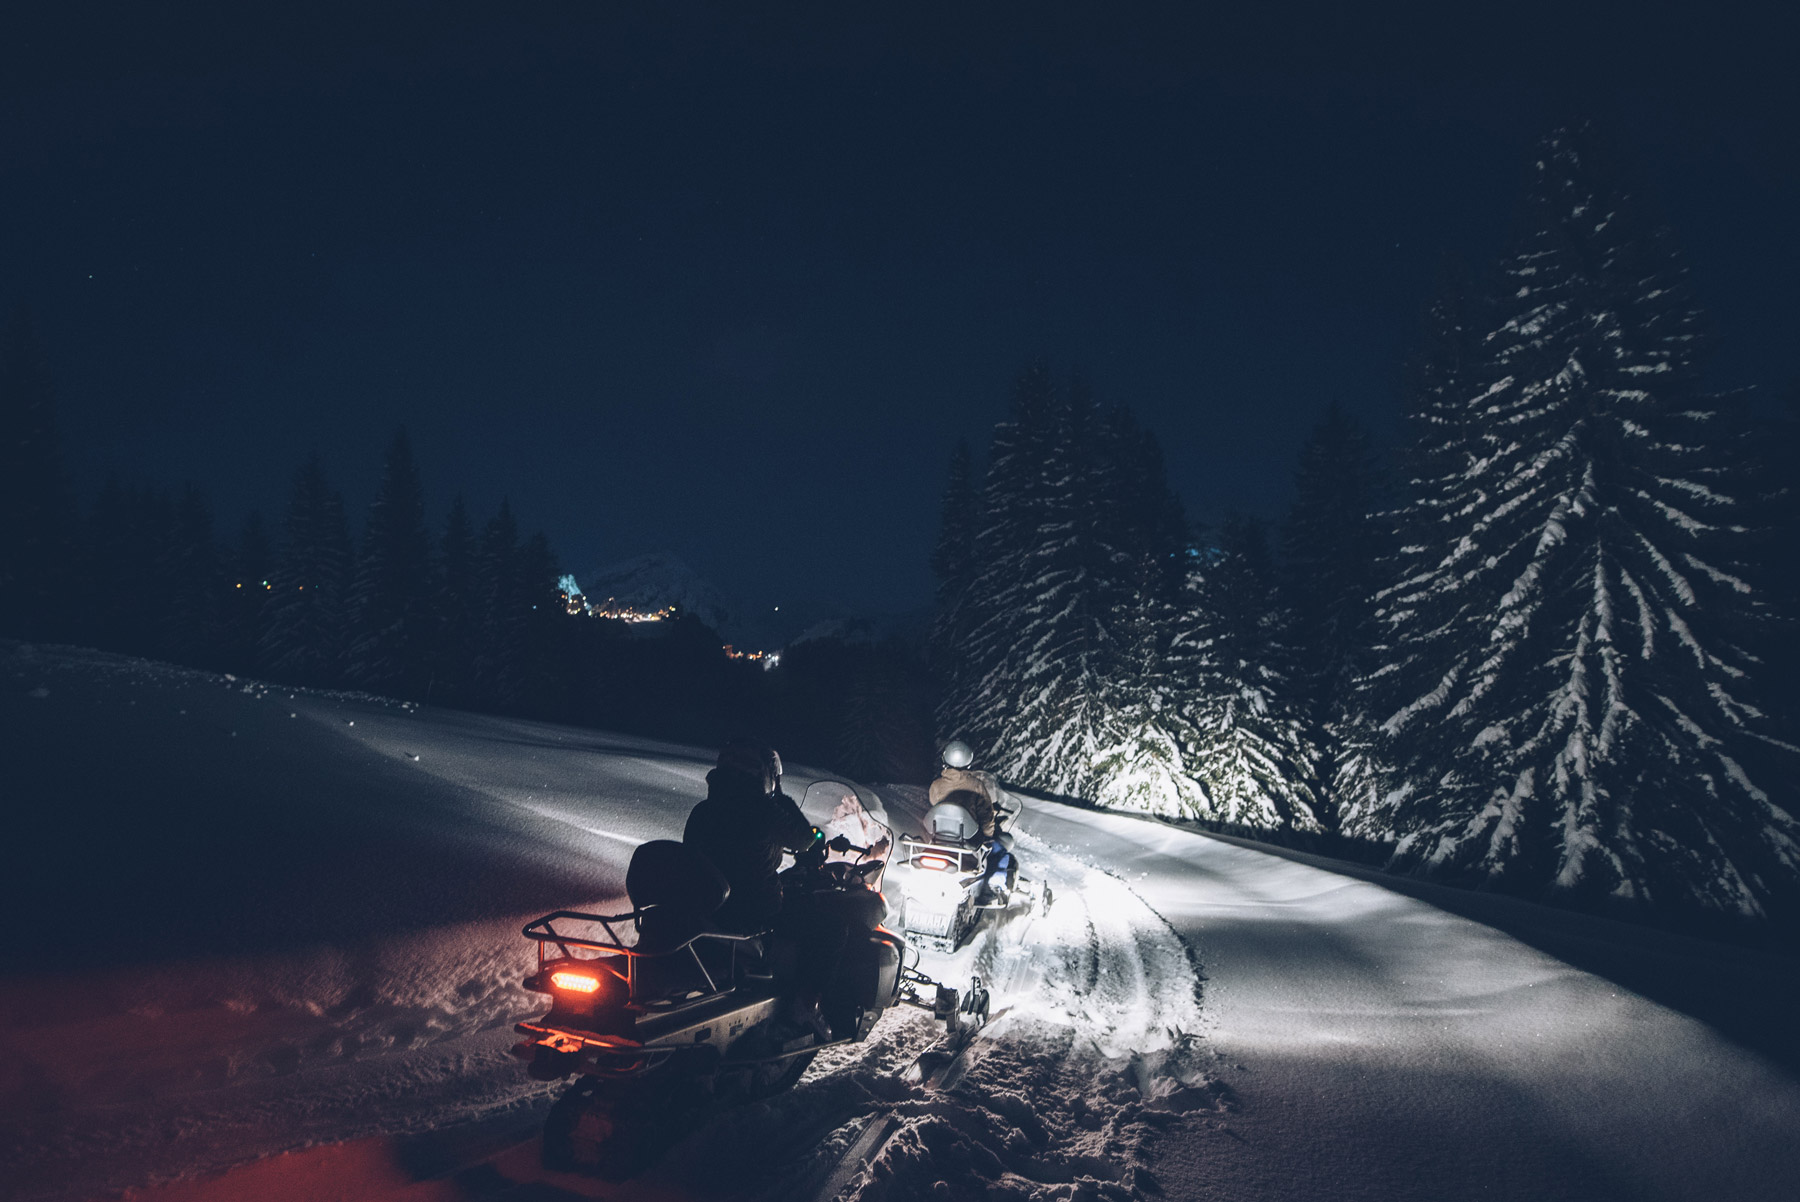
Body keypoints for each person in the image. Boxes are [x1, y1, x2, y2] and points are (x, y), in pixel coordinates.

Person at [682, 740, 818, 935]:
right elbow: (804, 839)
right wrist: (781, 798)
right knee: (832, 928)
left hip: (713, 909)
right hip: (757, 908)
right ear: (760, 775)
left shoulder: (702, 811)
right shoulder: (762, 811)